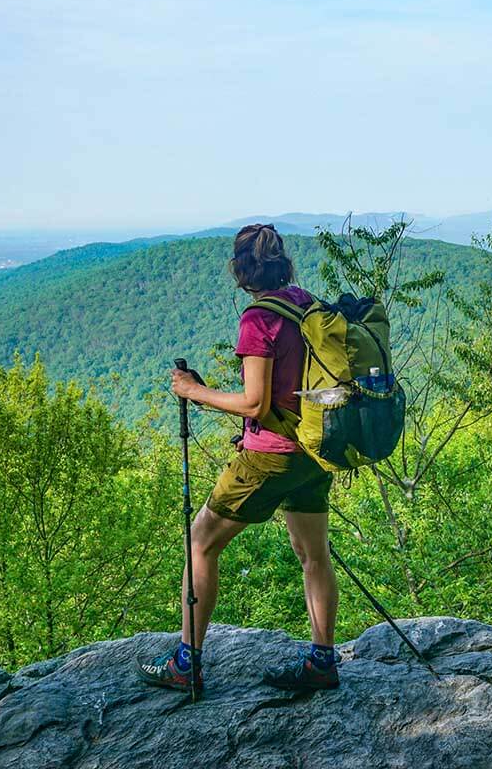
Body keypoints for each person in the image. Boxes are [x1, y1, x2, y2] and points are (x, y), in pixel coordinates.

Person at [135, 223, 340, 697]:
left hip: (272, 456)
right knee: (314, 554)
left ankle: (186, 662)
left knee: (200, 542)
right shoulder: (305, 302)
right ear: (283, 262)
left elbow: (254, 403)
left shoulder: (257, 319)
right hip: (313, 449)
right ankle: (322, 660)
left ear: (241, 269)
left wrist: (193, 391)